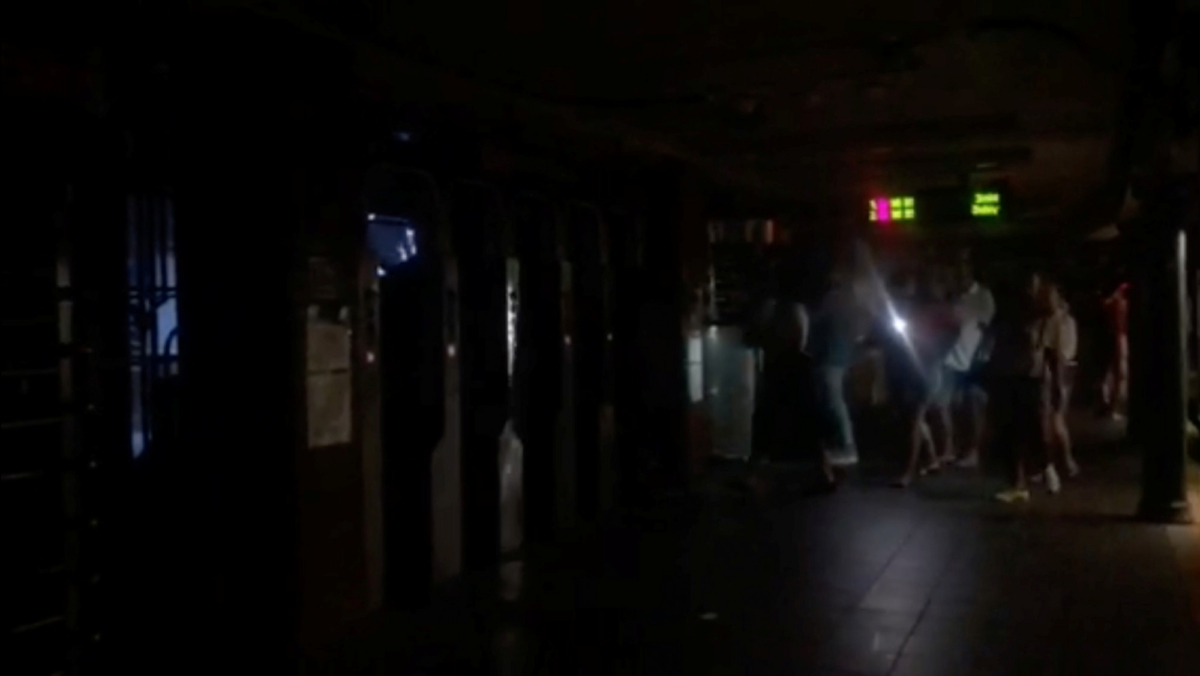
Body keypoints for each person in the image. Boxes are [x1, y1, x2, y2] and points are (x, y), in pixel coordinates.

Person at [991, 271, 1062, 503]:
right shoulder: (1013, 315)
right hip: (1014, 377)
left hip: (1027, 377)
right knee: (1016, 431)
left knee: (1030, 429)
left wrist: (1056, 384)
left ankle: (1040, 472)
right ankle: (1023, 481)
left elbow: (1050, 353)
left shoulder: (1041, 317)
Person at [891, 265, 959, 487]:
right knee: (913, 418)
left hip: (927, 368)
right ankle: (930, 459)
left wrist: (938, 350)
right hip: (912, 365)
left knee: (914, 418)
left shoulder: (940, 309)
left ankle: (907, 472)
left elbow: (954, 331)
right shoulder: (914, 307)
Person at [937, 252, 996, 468]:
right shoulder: (954, 296)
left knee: (973, 407)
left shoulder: (983, 296)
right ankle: (951, 448)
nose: (958, 276)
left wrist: (983, 356)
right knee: (950, 405)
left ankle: (973, 452)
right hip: (950, 358)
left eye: (962, 271)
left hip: (972, 360)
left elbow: (987, 330)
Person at [809, 264, 867, 468]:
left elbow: (816, 320)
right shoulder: (852, 301)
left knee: (834, 402)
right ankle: (842, 444)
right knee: (835, 401)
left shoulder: (833, 299)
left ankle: (847, 446)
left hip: (830, 356)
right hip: (842, 356)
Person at [1038, 282, 1079, 489]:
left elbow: (1056, 355)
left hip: (1057, 373)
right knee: (1055, 420)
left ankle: (1063, 462)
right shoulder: (1063, 318)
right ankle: (1065, 463)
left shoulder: (1057, 320)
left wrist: (1057, 383)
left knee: (1054, 421)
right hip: (1062, 371)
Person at [1101, 280, 1129, 419]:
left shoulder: (1108, 303)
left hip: (1112, 337)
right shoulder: (1119, 304)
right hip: (1120, 338)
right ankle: (1113, 407)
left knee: (1111, 372)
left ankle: (1107, 404)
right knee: (1120, 373)